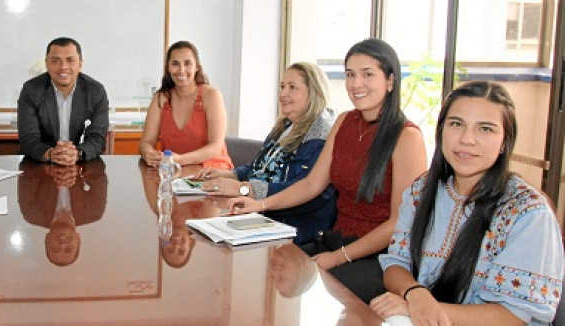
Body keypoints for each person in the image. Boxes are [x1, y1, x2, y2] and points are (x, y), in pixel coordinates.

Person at [369, 81, 563, 326]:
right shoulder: (422, 191)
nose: (467, 139)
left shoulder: (527, 211)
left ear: (504, 142)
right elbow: (395, 265)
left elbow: (512, 320)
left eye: (485, 129)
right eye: (456, 124)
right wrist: (416, 296)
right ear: (441, 131)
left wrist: (419, 307)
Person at [228, 38, 428, 303]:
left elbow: (398, 224)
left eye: (368, 74)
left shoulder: (407, 137)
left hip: (379, 258)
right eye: (350, 75)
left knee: (317, 292)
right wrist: (259, 204)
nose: (356, 84)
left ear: (390, 81)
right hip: (334, 240)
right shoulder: (344, 121)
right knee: (263, 266)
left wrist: (338, 257)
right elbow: (312, 184)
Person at [198, 62, 337, 244]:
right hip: (259, 214)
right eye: (282, 86)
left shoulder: (322, 135)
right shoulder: (284, 126)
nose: (283, 94)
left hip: (291, 229)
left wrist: (245, 189)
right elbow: (259, 168)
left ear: (314, 93)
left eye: (292, 87)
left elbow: (304, 189)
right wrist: (230, 174)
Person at [139, 40, 233, 169]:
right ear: (168, 68)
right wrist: (148, 153)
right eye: (175, 64)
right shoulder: (160, 98)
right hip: (176, 172)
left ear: (197, 67)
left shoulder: (212, 95)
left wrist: (180, 160)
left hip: (213, 171)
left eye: (187, 63)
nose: (181, 70)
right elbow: (146, 141)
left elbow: (215, 148)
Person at [17, 37, 109, 166]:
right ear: (47, 63)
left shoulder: (95, 91)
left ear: (80, 64)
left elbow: (97, 138)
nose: (63, 67)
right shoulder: (31, 90)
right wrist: (51, 154)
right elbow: (28, 138)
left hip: (82, 165)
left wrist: (77, 153)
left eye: (70, 60)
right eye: (55, 61)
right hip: (41, 165)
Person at [18, 158, 107, 266]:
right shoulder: (94, 212)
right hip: (80, 155)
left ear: (46, 239)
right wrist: (80, 168)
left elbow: (26, 170)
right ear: (78, 239)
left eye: (54, 248)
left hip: (42, 155)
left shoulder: (32, 214)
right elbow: (98, 171)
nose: (62, 244)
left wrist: (49, 168)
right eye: (69, 249)